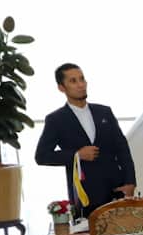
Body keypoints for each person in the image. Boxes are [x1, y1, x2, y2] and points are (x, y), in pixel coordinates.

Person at [34, 64, 136, 218]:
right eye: (73, 81)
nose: (81, 85)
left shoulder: (105, 112)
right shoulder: (56, 120)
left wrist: (130, 182)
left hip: (117, 191)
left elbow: (122, 149)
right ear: (61, 88)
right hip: (85, 196)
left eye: (82, 79)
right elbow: (41, 156)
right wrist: (77, 155)